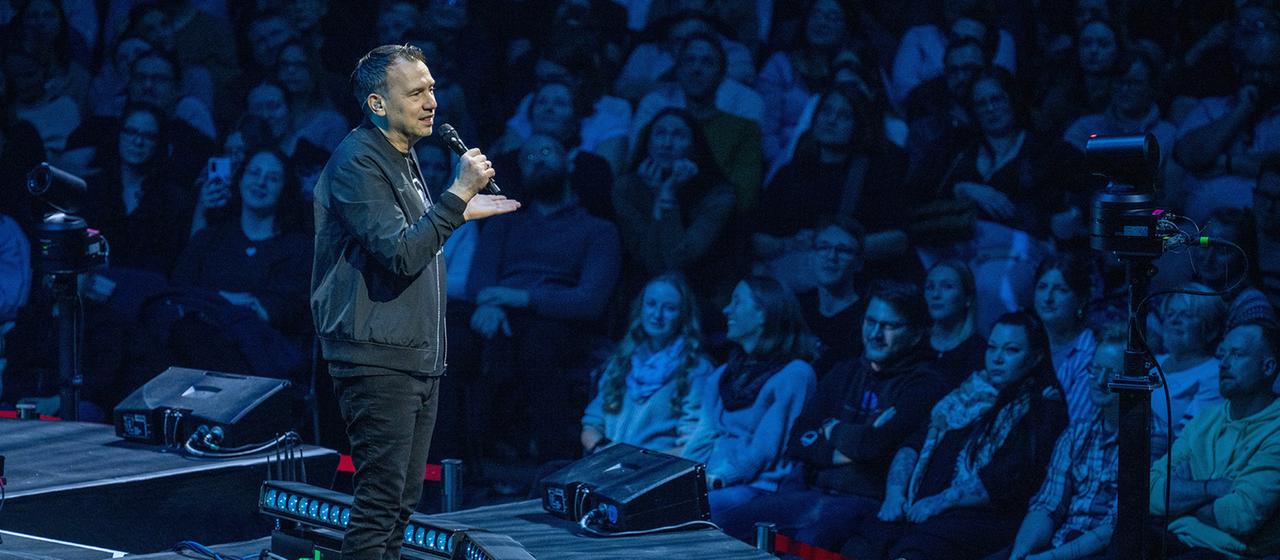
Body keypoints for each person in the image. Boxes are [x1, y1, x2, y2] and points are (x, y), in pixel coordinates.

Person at [310, 44, 518, 560]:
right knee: (380, 503)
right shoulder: (357, 161)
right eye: (417, 92)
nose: (431, 102)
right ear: (378, 103)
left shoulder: (401, 156)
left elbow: (416, 235)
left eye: (432, 89)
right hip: (376, 354)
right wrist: (457, 196)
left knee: (402, 502)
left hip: (414, 353)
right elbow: (401, 255)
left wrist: (459, 207)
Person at [713, 280, 947, 551]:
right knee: (720, 524)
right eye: (870, 321)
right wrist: (855, 443)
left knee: (807, 542)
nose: (875, 334)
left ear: (916, 334)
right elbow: (798, 440)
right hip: (812, 491)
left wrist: (831, 429)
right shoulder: (844, 372)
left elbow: (875, 447)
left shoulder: (924, 384)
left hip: (865, 501)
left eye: (890, 326)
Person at [844, 311, 1068, 560]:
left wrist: (939, 502)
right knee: (860, 543)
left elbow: (1005, 477)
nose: (997, 359)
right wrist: (895, 494)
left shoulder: (1042, 407)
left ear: (1036, 357)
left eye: (1011, 350)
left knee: (916, 550)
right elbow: (913, 444)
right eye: (992, 348)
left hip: (981, 518)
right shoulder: (967, 393)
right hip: (921, 505)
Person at [682, 275, 818, 524]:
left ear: (763, 314)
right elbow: (704, 435)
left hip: (758, 487)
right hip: (713, 480)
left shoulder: (794, 374)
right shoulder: (723, 375)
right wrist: (676, 475)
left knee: (690, 512)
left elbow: (763, 450)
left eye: (737, 302)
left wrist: (715, 479)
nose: (726, 309)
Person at [1149, 321, 1280, 559]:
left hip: (1227, 552)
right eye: (1223, 354)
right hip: (1178, 536)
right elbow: (1151, 490)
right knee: (1128, 534)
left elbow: (1241, 516)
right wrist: (1212, 488)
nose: (1224, 363)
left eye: (1237, 354)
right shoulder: (1206, 419)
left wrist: (1185, 494)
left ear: (1268, 366)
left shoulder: (1276, 429)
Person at [993, 324, 1123, 560]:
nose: (1100, 380)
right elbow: (1048, 505)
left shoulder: (1150, 440)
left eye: (1113, 374)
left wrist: (1050, 558)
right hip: (1059, 542)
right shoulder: (1077, 434)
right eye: (1095, 370)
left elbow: (1114, 528)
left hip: (1101, 551)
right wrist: (1021, 554)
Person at [580, 273, 713, 455]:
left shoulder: (696, 370)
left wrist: (638, 463)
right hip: (609, 467)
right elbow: (592, 424)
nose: (657, 315)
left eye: (669, 308)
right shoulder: (623, 360)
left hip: (655, 474)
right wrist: (603, 450)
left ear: (683, 315)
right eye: (651, 304)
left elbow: (693, 444)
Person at [1151, 284, 1227, 460]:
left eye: (1186, 315)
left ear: (1210, 329)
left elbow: (1189, 439)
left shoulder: (1214, 373)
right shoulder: (1152, 362)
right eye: (1170, 313)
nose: (1174, 320)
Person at [1034, 253, 1099, 424]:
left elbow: (1077, 425)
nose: (1047, 298)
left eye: (1061, 290)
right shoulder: (1027, 343)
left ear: (1081, 299)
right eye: (1042, 287)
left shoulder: (1090, 353)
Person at [926, 259, 986, 388]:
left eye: (947, 286)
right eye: (930, 287)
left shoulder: (979, 352)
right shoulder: (914, 343)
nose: (935, 294)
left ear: (968, 298)